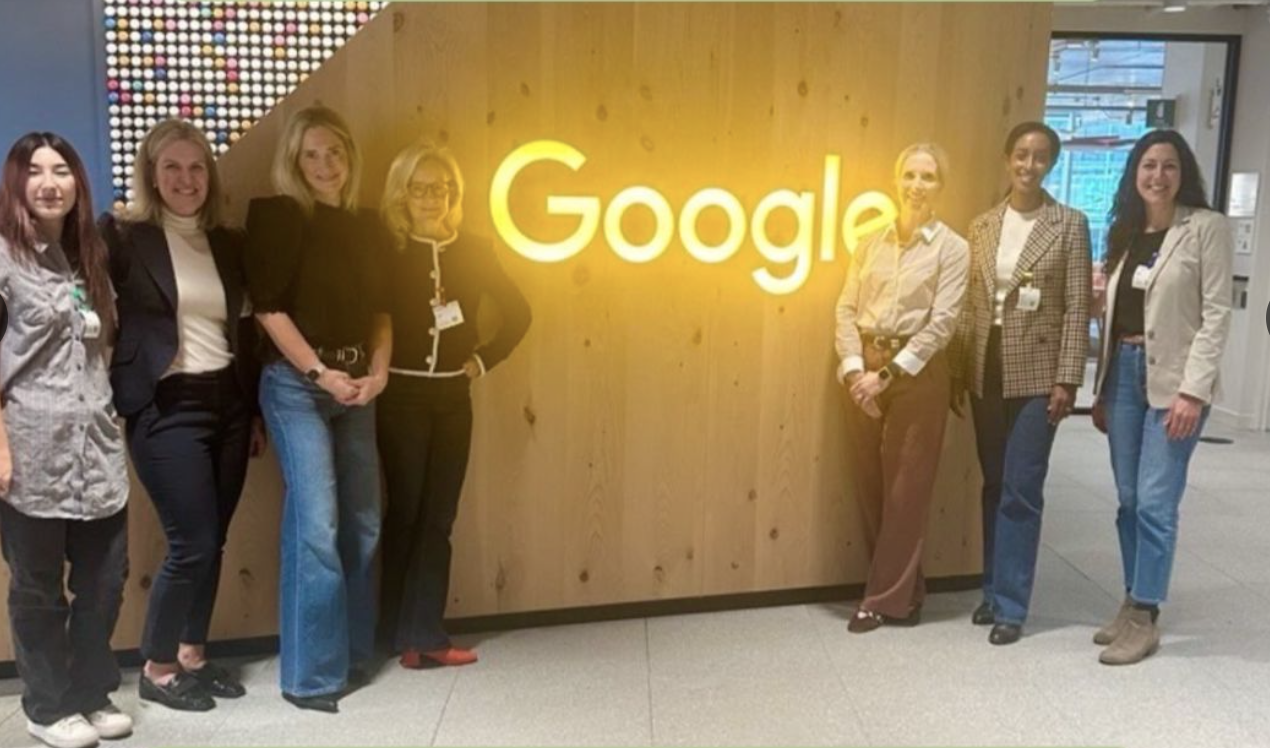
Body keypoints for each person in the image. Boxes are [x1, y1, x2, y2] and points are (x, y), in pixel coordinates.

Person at [100, 120, 266, 711]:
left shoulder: (227, 240)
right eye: (171, 167)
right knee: (190, 541)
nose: (185, 179)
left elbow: (243, 327)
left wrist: (252, 412)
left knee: (213, 540)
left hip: (227, 401)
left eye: (196, 168)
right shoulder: (123, 236)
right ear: (151, 173)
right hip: (164, 407)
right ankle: (158, 664)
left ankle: (193, 652)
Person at [244, 106, 392, 711]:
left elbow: (384, 311)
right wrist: (319, 372)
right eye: (312, 154)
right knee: (318, 526)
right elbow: (268, 308)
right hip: (298, 386)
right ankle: (311, 676)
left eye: (334, 153)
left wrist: (377, 373)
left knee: (364, 521)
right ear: (294, 162)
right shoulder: (276, 216)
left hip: (358, 386)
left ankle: (355, 652)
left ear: (349, 159)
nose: (325, 165)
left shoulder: (368, 223)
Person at [0, 133, 133, 748]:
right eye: (35, 171)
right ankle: (48, 706)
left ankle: (91, 691)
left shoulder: (90, 255)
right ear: (16, 183)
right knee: (37, 586)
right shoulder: (4, 257)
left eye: (62, 170)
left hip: (97, 447)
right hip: (30, 449)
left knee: (105, 578)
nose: (49, 182)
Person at [377, 141, 531, 669]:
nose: (432, 198)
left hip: (451, 396)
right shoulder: (388, 248)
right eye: (420, 188)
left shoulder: (475, 249)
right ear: (402, 194)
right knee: (405, 513)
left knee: (438, 517)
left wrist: (483, 361)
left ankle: (425, 635)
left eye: (442, 189)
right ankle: (397, 635)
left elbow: (518, 312)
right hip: (399, 395)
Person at [1091, 129, 1232, 665]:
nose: (1158, 176)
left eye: (1168, 166)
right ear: (1134, 173)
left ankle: (1145, 614)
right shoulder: (1126, 235)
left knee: (1155, 499)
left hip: (1176, 384)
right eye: (1148, 165)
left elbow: (1217, 314)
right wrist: (1102, 389)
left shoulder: (1205, 228)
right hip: (1123, 377)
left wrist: (1193, 392)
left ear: (1184, 172)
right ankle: (1132, 598)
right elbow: (1116, 319)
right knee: (1127, 500)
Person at [950, 122, 1092, 645]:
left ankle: (1012, 605)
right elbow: (971, 303)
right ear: (1006, 158)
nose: (1029, 165)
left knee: (1021, 487)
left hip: (1038, 374)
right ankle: (991, 590)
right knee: (992, 484)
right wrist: (956, 372)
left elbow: (1079, 306)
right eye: (1021, 155)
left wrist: (1068, 378)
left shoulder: (1069, 223)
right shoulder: (983, 224)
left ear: (1050, 164)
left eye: (1040, 157)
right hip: (985, 365)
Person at [834, 142, 969, 633]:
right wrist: (854, 372)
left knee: (906, 491)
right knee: (871, 485)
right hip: (863, 368)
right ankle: (905, 593)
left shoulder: (953, 249)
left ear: (940, 186)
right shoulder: (870, 242)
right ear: (896, 181)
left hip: (917, 372)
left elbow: (943, 324)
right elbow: (846, 309)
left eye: (928, 177)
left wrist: (885, 376)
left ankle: (881, 600)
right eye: (909, 175)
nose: (917, 185)